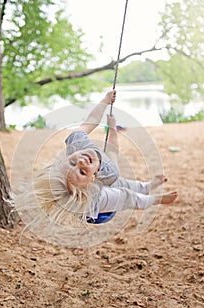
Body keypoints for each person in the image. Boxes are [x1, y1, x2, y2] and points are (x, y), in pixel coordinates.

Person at [15, 90, 177, 227]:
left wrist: (106, 101)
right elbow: (130, 198)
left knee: (120, 182)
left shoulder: (77, 143)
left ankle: (147, 186)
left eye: (73, 161)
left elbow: (91, 121)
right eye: (82, 171)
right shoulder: (99, 196)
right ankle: (153, 196)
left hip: (93, 183)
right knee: (125, 192)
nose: (81, 161)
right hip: (97, 212)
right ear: (92, 179)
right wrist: (156, 200)